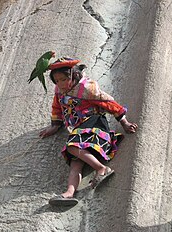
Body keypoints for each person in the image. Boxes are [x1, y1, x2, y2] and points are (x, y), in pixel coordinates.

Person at [39, 57, 138, 206]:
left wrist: (124, 122)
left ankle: (102, 169)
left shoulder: (86, 88)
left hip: (93, 123)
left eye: (64, 79)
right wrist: (55, 125)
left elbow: (107, 102)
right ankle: (69, 193)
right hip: (78, 129)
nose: (60, 84)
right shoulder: (59, 91)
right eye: (57, 80)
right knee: (75, 163)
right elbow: (57, 107)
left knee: (72, 147)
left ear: (73, 75)